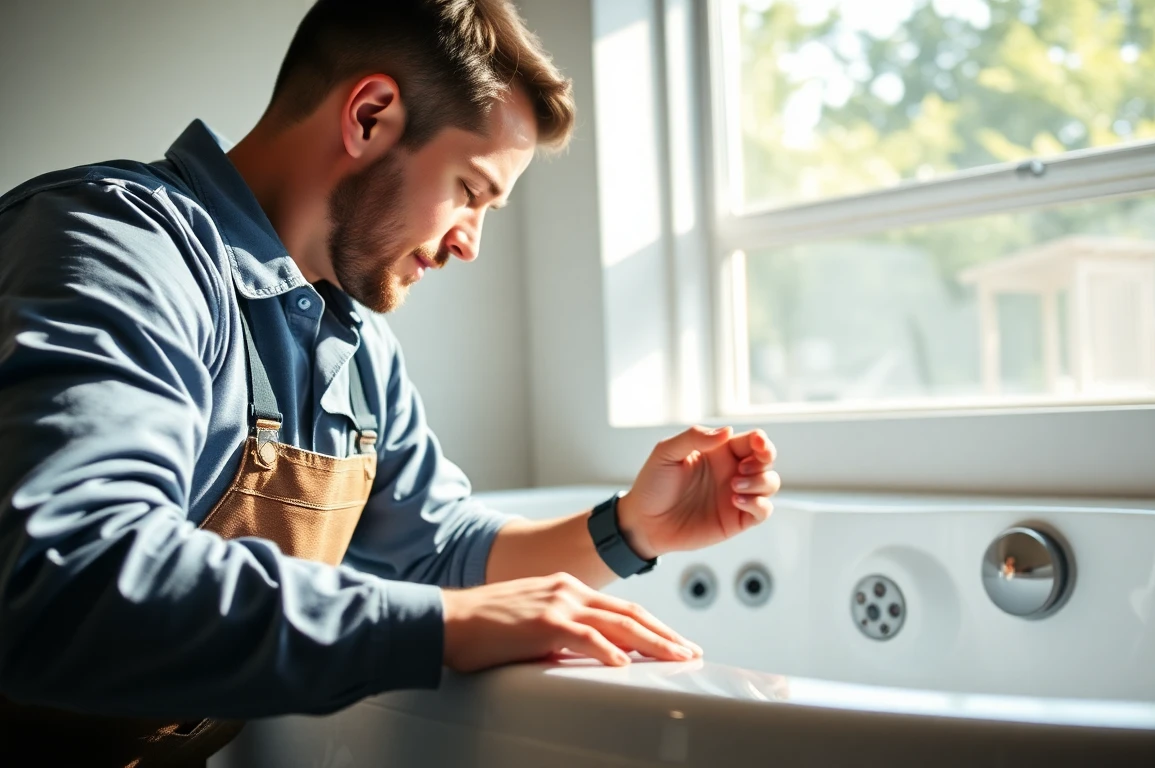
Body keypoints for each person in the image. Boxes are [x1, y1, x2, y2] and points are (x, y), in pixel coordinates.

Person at [0, 1, 781, 764]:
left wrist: (631, 529)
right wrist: (442, 627)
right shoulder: (115, 248)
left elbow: (436, 552)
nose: (471, 243)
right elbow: (74, 577)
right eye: (471, 191)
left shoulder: (358, 345)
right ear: (369, 115)